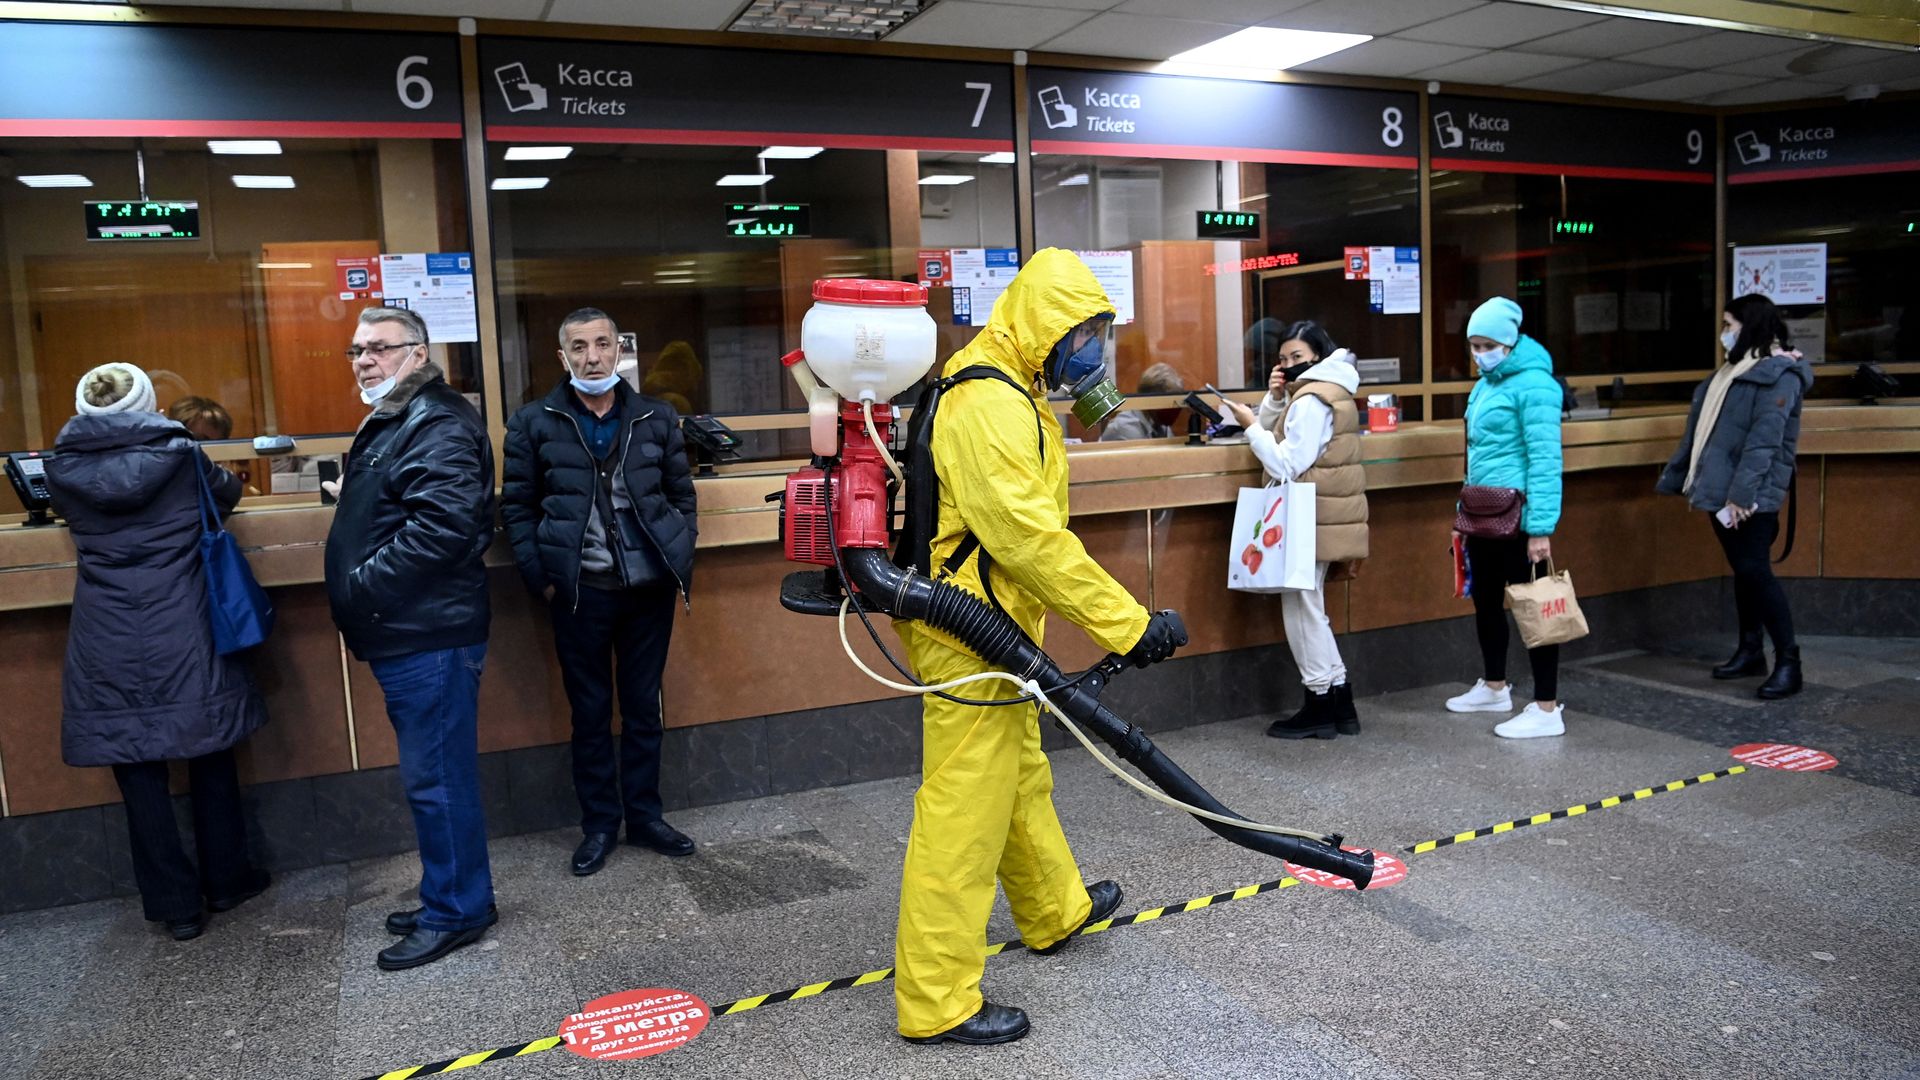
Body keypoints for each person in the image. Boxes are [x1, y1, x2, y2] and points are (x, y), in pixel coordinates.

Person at [895, 248, 1183, 1046]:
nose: (1094, 354)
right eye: (1087, 335)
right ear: (1046, 325)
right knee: (963, 811)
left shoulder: (1012, 383)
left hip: (995, 627)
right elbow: (1027, 539)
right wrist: (1129, 623)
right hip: (968, 631)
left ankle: (1054, 910)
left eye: (1100, 335)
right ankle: (936, 999)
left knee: (1019, 777)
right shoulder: (987, 402)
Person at [46, 363, 271, 941]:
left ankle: (175, 906)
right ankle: (226, 880)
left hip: (106, 631)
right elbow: (227, 496)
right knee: (210, 746)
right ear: (147, 404)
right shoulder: (181, 455)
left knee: (136, 764)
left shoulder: (62, 469)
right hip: (185, 622)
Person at [324, 307, 498, 971]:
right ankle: (448, 894)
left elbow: (444, 530)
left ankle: (458, 911)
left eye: (379, 348)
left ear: (418, 354)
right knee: (433, 778)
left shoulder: (438, 421)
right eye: (356, 349)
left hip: (430, 635)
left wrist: (361, 585)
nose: (364, 359)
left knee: (439, 783)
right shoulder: (401, 417)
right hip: (408, 631)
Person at [502, 308, 699, 876]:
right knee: (589, 713)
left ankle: (644, 817)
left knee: (643, 708)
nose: (593, 356)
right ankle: (598, 826)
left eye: (603, 344)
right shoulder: (534, 422)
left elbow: (682, 496)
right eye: (580, 347)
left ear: (620, 351)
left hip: (647, 590)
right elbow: (516, 507)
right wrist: (542, 577)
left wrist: (679, 550)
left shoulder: (656, 417)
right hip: (579, 591)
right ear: (562, 358)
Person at [1657, 294, 1812, 699]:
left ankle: (1789, 661)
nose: (1725, 334)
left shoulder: (1779, 374)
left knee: (1756, 571)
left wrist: (1742, 496)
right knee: (1744, 570)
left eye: (1730, 325)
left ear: (1752, 325)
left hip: (1751, 496)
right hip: (1722, 490)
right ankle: (1750, 650)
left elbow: (1764, 442)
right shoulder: (1732, 372)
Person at [1221, 320, 1368, 739]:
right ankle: (1340, 702)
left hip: (1310, 517)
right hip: (1323, 514)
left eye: (1297, 358)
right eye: (1282, 359)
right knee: (1312, 611)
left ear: (1318, 356)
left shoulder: (1312, 400)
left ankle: (1320, 702)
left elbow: (1285, 463)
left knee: (1303, 613)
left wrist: (1250, 424)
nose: (1287, 366)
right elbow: (1283, 436)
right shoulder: (1329, 390)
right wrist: (1273, 399)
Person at [1444, 297, 1566, 738]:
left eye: (1488, 345)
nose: (1480, 354)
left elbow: (1546, 460)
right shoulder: (1485, 385)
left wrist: (1541, 529)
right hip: (1482, 512)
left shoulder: (1536, 386)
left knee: (1535, 609)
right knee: (1486, 603)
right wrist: (1463, 512)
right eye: (1474, 345)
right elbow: (1475, 455)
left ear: (1511, 343)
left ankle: (1547, 708)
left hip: (1519, 517)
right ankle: (1495, 686)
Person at [1099, 363, 1185, 441]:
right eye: (1168, 402)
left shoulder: (1159, 424)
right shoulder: (1126, 427)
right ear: (1151, 400)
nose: (1173, 408)